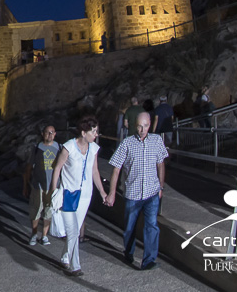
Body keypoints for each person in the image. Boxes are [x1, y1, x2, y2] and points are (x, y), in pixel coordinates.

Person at [104, 112, 168, 271]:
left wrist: (161, 187)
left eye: (145, 126)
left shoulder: (156, 141)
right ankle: (129, 251)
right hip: (133, 194)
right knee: (130, 228)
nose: (142, 129)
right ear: (135, 126)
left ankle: (149, 260)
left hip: (152, 192)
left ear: (150, 124)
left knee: (151, 226)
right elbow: (116, 169)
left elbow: (161, 164)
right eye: (139, 126)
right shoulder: (126, 143)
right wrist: (112, 192)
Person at [48, 116, 108, 277]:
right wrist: (54, 191)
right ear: (83, 132)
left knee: (75, 229)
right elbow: (57, 168)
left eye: (96, 131)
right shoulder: (69, 147)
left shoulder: (94, 149)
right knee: (73, 231)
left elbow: (95, 171)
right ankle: (75, 266)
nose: (96, 134)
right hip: (68, 193)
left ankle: (65, 256)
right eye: (93, 131)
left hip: (85, 195)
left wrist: (102, 192)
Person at [22, 125, 61, 246]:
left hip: (53, 186)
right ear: (42, 134)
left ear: (55, 134)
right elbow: (29, 167)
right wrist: (25, 185)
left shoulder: (59, 148)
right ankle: (34, 233)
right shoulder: (37, 148)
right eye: (47, 132)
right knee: (36, 211)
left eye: (52, 132)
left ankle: (44, 235)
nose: (49, 135)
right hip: (38, 185)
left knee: (48, 212)